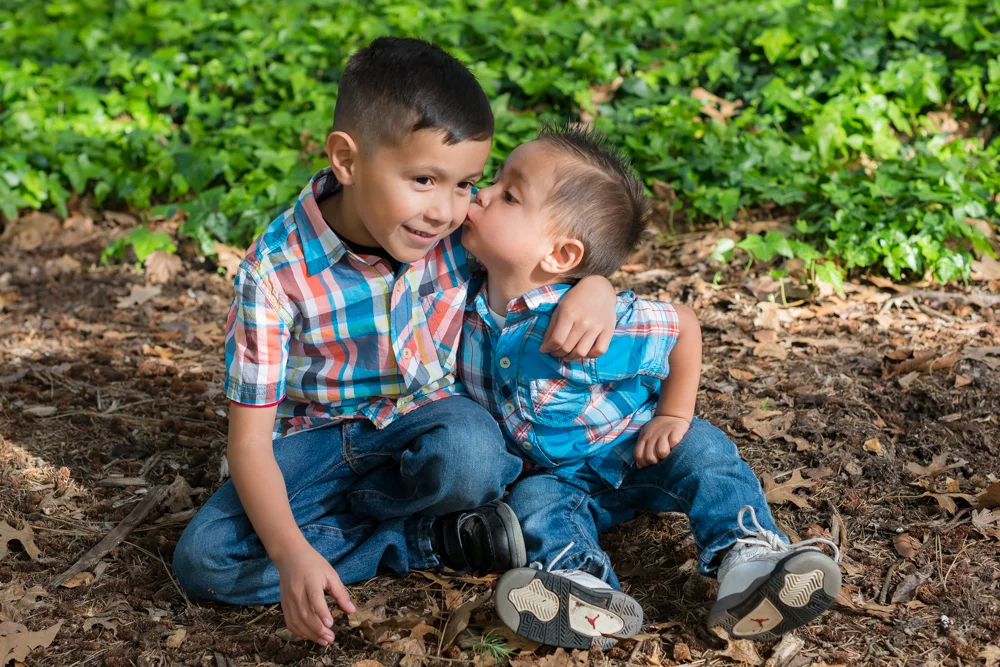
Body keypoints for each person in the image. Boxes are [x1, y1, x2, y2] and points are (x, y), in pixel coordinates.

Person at [171, 38, 618, 647]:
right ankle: (431, 539)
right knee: (204, 562)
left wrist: (597, 284)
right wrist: (289, 554)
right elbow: (248, 444)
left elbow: (545, 249)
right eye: (425, 179)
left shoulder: (455, 234)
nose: (445, 209)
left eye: (465, 184)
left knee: (472, 450)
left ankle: (396, 523)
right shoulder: (275, 274)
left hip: (426, 424)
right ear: (347, 161)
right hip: (314, 443)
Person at [458, 125, 842, 649]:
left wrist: (674, 414)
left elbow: (682, 325)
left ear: (561, 255)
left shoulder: (592, 321)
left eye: (508, 194)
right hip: (560, 477)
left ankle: (749, 558)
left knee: (703, 449)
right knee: (534, 505)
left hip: (635, 448)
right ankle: (584, 585)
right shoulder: (460, 291)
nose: (480, 193)